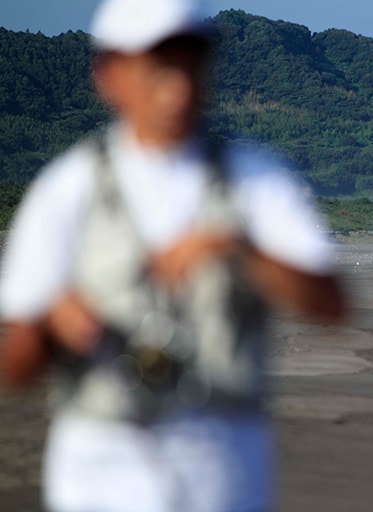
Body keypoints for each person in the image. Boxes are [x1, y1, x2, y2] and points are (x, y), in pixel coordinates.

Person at [0, 0, 346, 510]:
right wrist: (52, 320)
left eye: (191, 63)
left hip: (221, 460)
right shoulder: (67, 188)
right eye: (158, 64)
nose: (179, 85)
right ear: (109, 75)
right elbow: (14, 369)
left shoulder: (256, 179)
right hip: (100, 462)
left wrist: (236, 247)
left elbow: (332, 303)